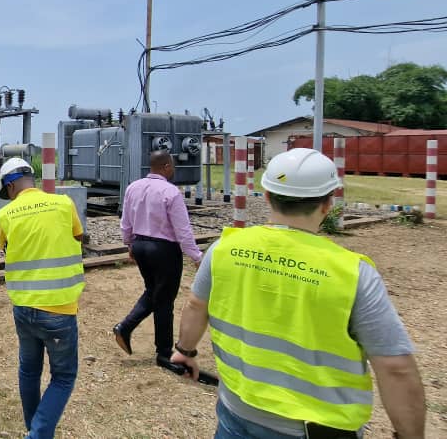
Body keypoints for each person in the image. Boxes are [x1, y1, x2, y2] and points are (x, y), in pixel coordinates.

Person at [170, 148, 426, 438]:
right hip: (316, 429)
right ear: (328, 204)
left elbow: (195, 305)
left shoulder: (224, 250)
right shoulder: (353, 274)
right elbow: (395, 367)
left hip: (236, 413)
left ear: (266, 196)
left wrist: (184, 351)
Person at [0, 157, 85, 439]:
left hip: (23, 307)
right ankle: (37, 434)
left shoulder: (6, 214)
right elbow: (78, 236)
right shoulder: (64, 203)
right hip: (59, 308)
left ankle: (32, 426)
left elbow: (6, 247)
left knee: (29, 370)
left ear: (11, 187)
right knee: (63, 376)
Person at [113, 150, 202, 362]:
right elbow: (183, 231)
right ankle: (163, 353)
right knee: (164, 301)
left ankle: (125, 328)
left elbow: (125, 222)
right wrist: (197, 257)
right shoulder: (171, 192)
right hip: (164, 250)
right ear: (166, 167)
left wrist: (130, 245)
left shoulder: (133, 187)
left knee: (154, 291)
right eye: (172, 165)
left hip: (140, 245)